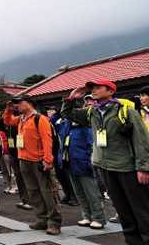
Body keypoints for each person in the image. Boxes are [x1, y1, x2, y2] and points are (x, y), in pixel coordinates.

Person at [62, 80, 149, 245]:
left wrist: (143, 168)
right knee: (123, 210)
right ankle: (132, 241)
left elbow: (141, 141)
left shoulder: (126, 111)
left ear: (110, 91)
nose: (93, 91)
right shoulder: (92, 112)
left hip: (127, 167)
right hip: (105, 167)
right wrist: (70, 99)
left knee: (141, 209)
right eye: (92, 88)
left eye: (97, 88)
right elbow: (68, 114)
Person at [4, 96, 62, 235]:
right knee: (33, 191)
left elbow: (47, 140)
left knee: (48, 192)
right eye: (16, 104)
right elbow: (7, 121)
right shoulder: (20, 119)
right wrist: (8, 109)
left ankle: (54, 222)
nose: (18, 105)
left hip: (39, 161)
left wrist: (48, 160)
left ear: (30, 104)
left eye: (20, 103)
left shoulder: (40, 119)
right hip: (24, 160)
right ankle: (41, 219)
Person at [58, 113, 106, 229]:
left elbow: (92, 145)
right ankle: (87, 216)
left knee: (92, 193)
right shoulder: (67, 126)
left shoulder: (87, 127)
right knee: (79, 192)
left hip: (83, 164)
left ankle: (98, 217)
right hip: (70, 163)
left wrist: (91, 163)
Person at [46, 106, 78, 207]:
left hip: (66, 151)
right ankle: (67, 194)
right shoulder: (58, 121)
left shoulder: (70, 121)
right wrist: (56, 116)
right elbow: (50, 124)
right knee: (60, 175)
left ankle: (74, 196)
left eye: (52, 110)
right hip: (57, 151)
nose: (49, 112)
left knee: (68, 174)